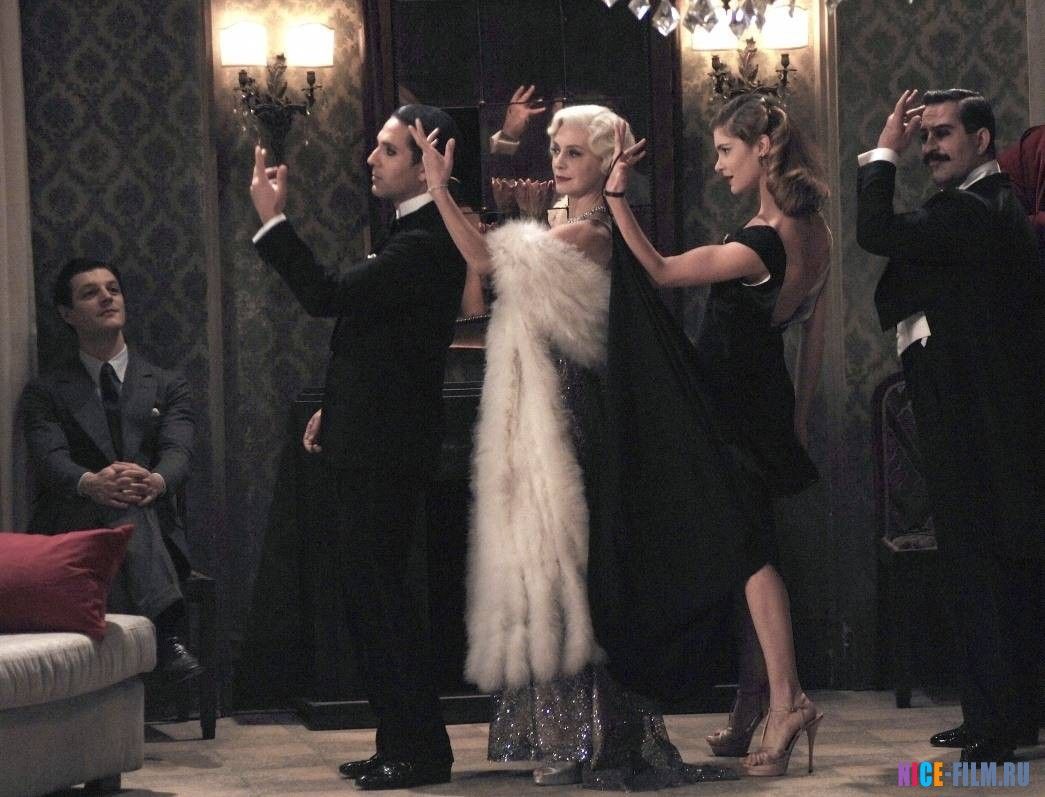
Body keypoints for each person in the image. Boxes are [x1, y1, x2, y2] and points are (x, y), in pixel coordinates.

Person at [408, 105, 735, 788]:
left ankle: (601, 733)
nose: (558, 161)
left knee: (576, 565)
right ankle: (559, 732)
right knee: (540, 561)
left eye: (575, 152)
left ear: (607, 161)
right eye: (556, 149)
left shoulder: (594, 231)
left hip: (573, 411)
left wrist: (438, 186)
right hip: (532, 407)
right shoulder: (557, 220)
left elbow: (484, 259)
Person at [605, 92, 829, 777]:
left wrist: (616, 197)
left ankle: (787, 701)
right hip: (762, 403)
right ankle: (753, 701)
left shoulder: (759, 243)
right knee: (745, 551)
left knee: (750, 552)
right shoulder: (810, 227)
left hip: (734, 410)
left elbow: (661, 270)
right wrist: (797, 417)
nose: (717, 164)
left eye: (726, 150)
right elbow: (813, 333)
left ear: (763, 148)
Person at [249, 104, 467, 790]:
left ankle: (421, 752)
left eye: (389, 150)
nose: (371, 158)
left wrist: (273, 220)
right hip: (371, 437)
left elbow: (325, 295)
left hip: (387, 448)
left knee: (382, 601)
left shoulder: (425, 242)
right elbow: (377, 345)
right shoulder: (408, 235)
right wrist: (333, 409)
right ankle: (399, 742)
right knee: (371, 600)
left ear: (428, 164)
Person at [856, 89, 1043, 764]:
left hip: (976, 425)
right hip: (982, 419)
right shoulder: (981, 206)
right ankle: (1003, 716)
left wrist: (885, 150)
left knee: (979, 569)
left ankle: (994, 728)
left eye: (941, 134)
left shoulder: (973, 209)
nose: (929, 147)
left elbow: (876, 232)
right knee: (993, 568)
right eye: (923, 135)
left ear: (981, 141)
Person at [22, 258, 201, 682]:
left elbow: (178, 451)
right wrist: (92, 483)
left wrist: (154, 481)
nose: (106, 297)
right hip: (74, 527)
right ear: (67, 314)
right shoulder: (45, 391)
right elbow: (50, 459)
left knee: (129, 497)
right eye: (90, 293)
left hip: (153, 527)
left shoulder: (167, 384)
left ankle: (133, 662)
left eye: (113, 289)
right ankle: (166, 633)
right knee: (121, 497)